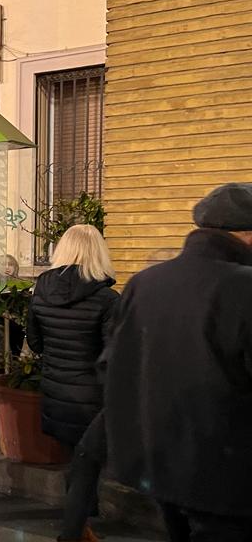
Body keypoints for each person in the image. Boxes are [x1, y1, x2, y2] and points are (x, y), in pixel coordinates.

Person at [103, 183, 252, 541]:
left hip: (161, 466)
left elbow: (110, 367)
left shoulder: (145, 282)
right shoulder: (243, 288)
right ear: (246, 235)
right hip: (231, 478)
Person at [27, 225, 118, 542]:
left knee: (76, 461)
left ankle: (82, 525)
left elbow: (35, 341)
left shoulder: (42, 288)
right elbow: (113, 353)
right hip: (92, 397)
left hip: (56, 389)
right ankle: (76, 529)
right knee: (87, 463)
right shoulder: (107, 300)